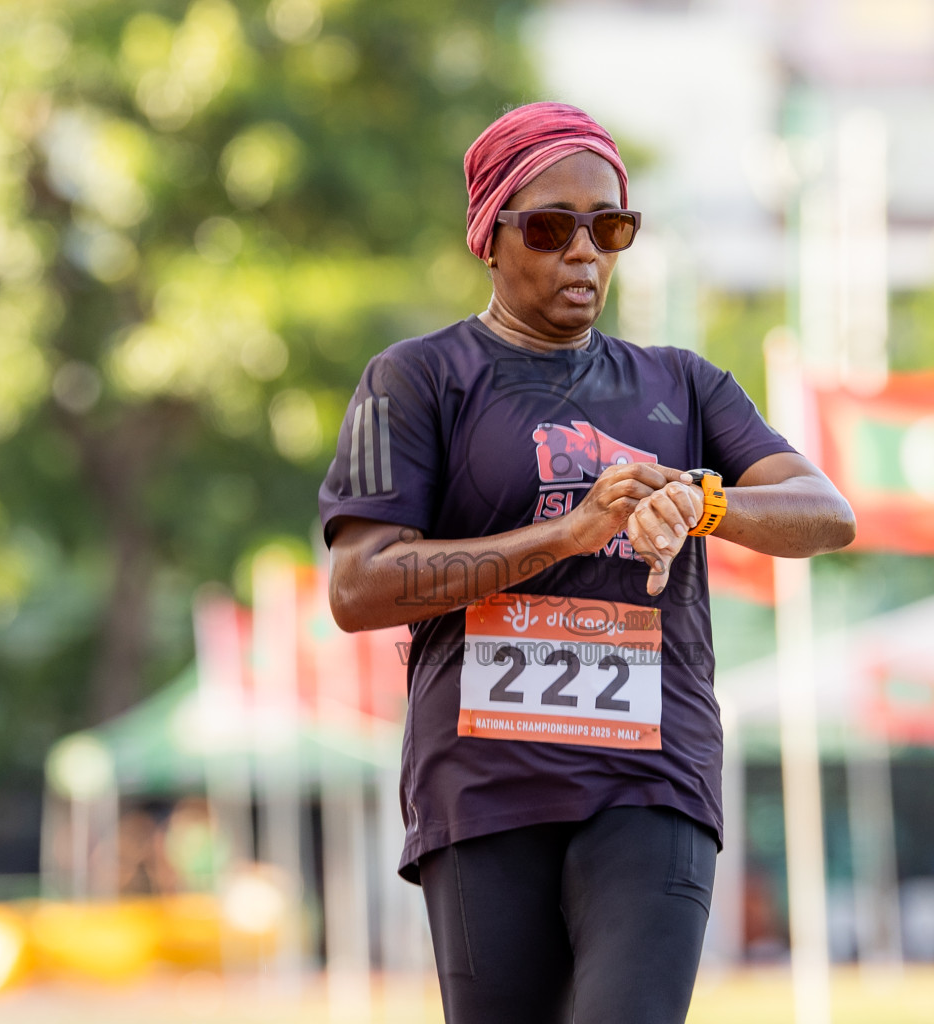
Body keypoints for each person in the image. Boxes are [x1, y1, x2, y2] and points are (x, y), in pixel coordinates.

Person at [319, 101, 855, 1024]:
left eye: (610, 227)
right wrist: (563, 536)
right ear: (490, 235)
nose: (584, 253)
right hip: (485, 783)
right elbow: (359, 585)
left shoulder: (684, 385)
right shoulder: (415, 381)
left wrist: (703, 499)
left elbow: (825, 513)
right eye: (551, 227)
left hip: (652, 769)